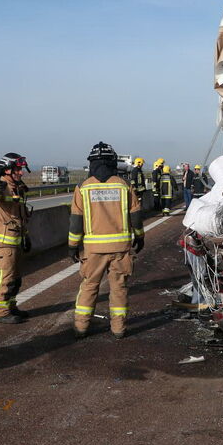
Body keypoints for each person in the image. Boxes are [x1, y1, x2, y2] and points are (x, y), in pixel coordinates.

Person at [68, 142, 144, 339]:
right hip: (120, 248)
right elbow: (136, 215)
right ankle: (118, 329)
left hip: (93, 250)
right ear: (113, 162)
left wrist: (72, 246)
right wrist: (140, 236)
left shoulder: (83, 187)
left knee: (89, 286)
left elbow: (76, 222)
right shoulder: (124, 185)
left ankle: (81, 327)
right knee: (118, 288)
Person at [0, 153, 32, 324]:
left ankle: (10, 306)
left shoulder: (16, 188)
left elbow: (20, 216)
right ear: (6, 170)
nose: (21, 172)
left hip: (16, 242)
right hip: (5, 244)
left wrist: (26, 236)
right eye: (18, 169)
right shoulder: (1, 187)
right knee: (4, 277)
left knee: (14, 278)